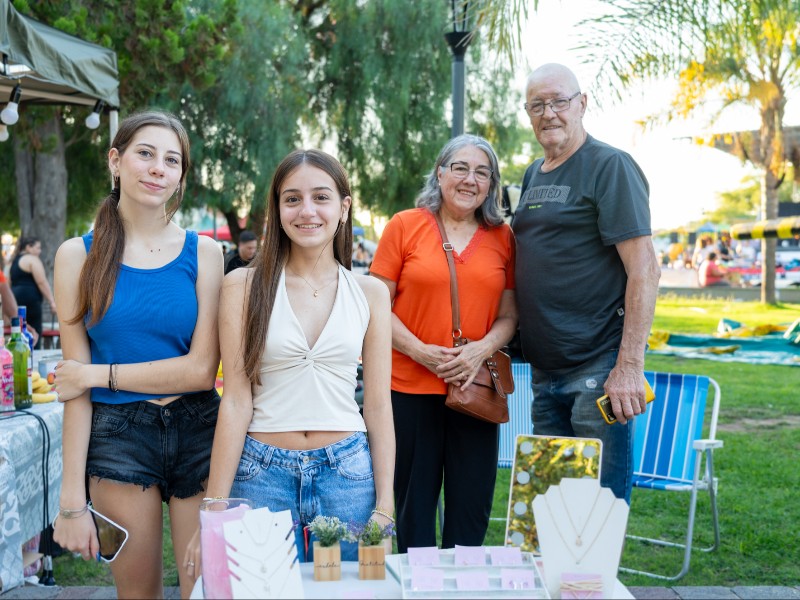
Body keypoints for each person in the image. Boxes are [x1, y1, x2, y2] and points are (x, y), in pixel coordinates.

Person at [191, 149, 394, 569]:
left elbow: (376, 406)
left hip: (349, 477)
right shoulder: (243, 286)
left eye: (321, 197)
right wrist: (214, 503)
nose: (307, 211)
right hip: (261, 476)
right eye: (292, 199)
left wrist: (386, 503)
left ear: (344, 207)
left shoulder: (371, 292)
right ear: (277, 208)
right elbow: (235, 400)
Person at [51, 111, 223, 599]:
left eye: (172, 161)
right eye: (145, 154)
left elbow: (198, 371)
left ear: (180, 178)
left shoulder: (205, 253)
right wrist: (70, 502)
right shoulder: (76, 256)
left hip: (199, 433)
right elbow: (73, 389)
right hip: (117, 438)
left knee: (206, 591)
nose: (157, 169)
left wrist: (96, 373)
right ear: (116, 160)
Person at [513, 63, 660, 502]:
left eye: (559, 101)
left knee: (597, 511)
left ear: (582, 104)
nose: (549, 113)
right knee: (547, 510)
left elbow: (645, 269)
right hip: (545, 375)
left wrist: (629, 366)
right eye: (537, 105)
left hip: (597, 369)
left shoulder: (609, 166)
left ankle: (593, 575)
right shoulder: (533, 174)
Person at [370, 134, 518, 552]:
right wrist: (420, 351)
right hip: (410, 387)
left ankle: (463, 587)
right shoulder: (405, 225)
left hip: (476, 388)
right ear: (440, 173)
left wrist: (479, 350)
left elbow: (510, 316)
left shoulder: (503, 237)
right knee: (413, 508)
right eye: (460, 168)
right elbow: (375, 305)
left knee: (471, 508)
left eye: (482, 172)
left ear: (491, 184)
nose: (470, 179)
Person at [9, 236, 57, 348]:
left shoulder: (13, 262)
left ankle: (19, 355)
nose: (39, 251)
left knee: (19, 330)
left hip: (15, 300)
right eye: (37, 248)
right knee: (34, 332)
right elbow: (42, 282)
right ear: (28, 247)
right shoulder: (32, 259)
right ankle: (33, 357)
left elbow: (8, 282)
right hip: (31, 302)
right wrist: (52, 301)